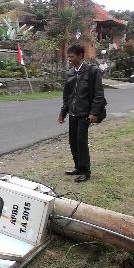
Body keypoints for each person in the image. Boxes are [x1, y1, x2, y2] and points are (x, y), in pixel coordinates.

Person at [58, 45, 105, 183]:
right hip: (73, 113)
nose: (70, 59)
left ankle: (85, 171)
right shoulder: (70, 73)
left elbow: (98, 94)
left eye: (72, 57)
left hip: (85, 113)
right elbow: (67, 96)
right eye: (69, 57)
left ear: (80, 56)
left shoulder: (92, 71)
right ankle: (78, 167)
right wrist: (63, 112)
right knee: (73, 140)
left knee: (81, 140)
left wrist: (94, 113)